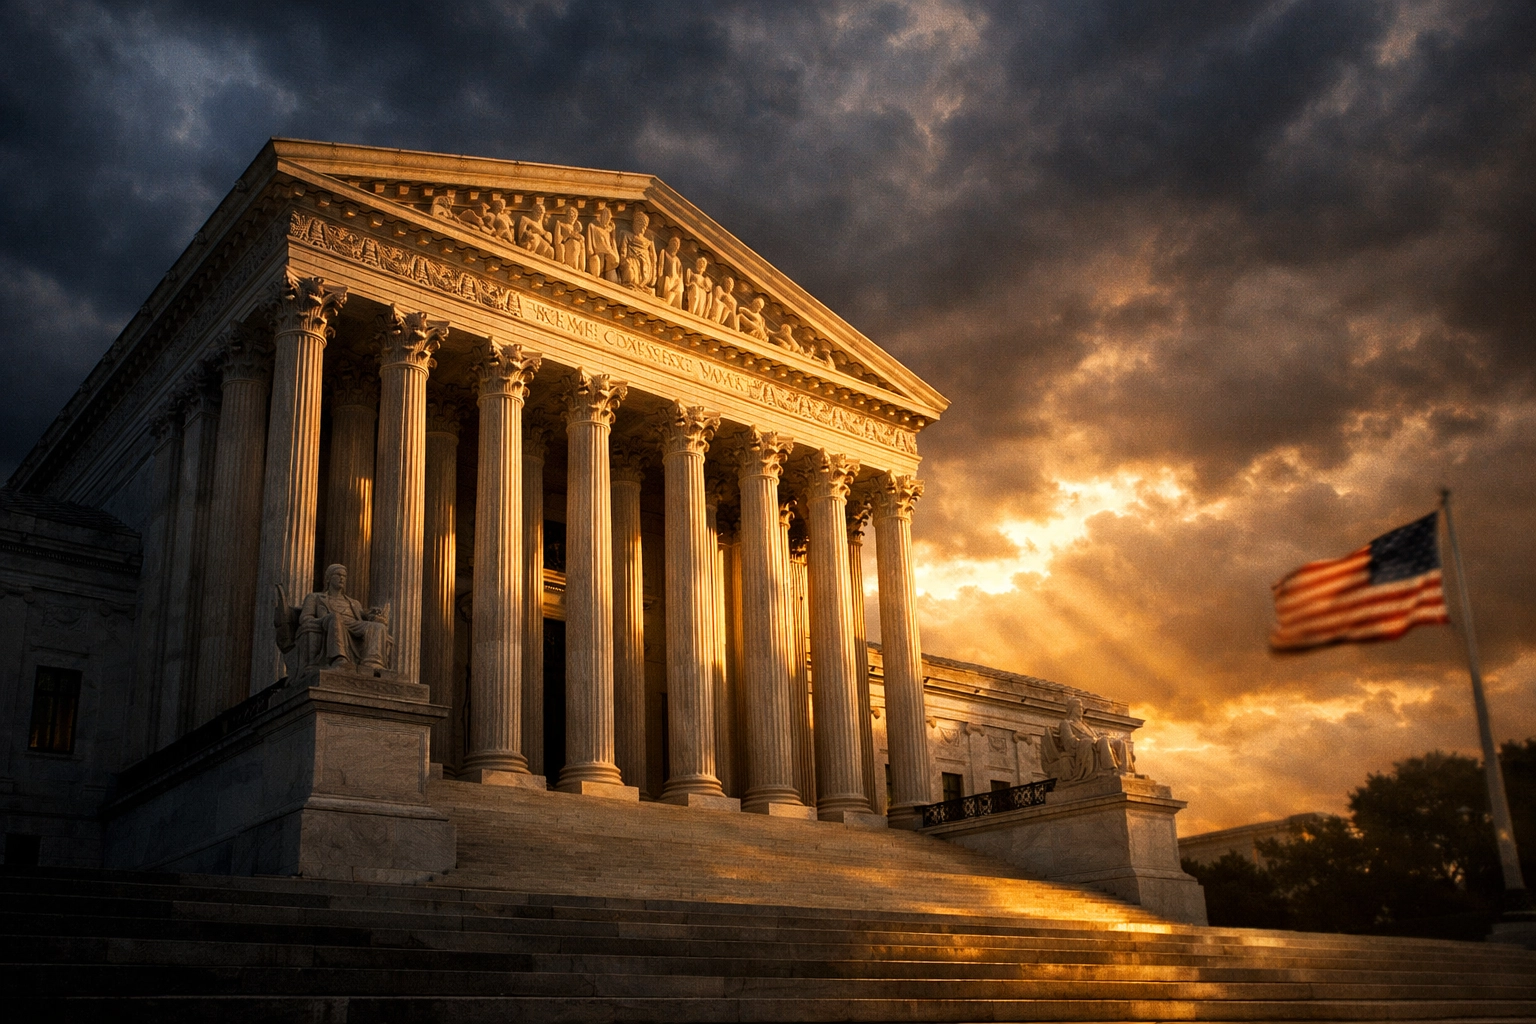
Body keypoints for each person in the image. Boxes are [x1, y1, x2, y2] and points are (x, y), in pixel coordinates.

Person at [296, 564, 390, 672]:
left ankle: (372, 662)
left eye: (344, 576)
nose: (342, 578)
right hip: (331, 622)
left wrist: (375, 617)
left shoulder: (354, 603)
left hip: (353, 624)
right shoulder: (315, 597)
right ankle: (339, 659)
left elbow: (364, 618)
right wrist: (325, 620)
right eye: (338, 575)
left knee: (378, 627)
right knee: (336, 617)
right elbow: (305, 618)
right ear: (328, 578)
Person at [617, 208, 657, 290]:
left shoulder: (648, 242)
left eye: (644, 226)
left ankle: (640, 285)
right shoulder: (627, 235)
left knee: (644, 273)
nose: (642, 228)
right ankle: (629, 282)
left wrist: (653, 273)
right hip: (631, 260)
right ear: (634, 225)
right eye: (639, 225)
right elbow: (623, 250)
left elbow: (653, 257)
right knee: (630, 271)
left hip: (644, 264)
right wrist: (623, 261)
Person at [586, 202, 619, 280]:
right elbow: (590, 246)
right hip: (598, 256)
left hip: (609, 257)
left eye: (609, 218)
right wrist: (591, 253)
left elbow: (612, 243)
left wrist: (613, 232)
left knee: (613, 280)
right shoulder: (593, 227)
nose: (607, 221)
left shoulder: (609, 231)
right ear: (602, 216)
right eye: (606, 217)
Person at [555, 205, 585, 270]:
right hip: (568, 245)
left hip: (577, 248)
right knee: (573, 244)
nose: (572, 217)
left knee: (579, 245)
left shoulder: (576, 227)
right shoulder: (561, 224)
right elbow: (557, 241)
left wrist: (579, 237)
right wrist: (568, 235)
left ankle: (580, 268)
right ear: (567, 215)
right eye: (570, 215)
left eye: (574, 216)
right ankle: (571, 268)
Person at [657, 235, 684, 307]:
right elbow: (660, 266)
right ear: (670, 243)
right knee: (670, 282)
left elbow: (680, 274)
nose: (676, 246)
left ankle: (669, 301)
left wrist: (677, 280)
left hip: (674, 281)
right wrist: (660, 279)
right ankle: (667, 301)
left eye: (677, 245)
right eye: (674, 243)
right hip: (666, 278)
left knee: (680, 284)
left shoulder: (677, 260)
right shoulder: (664, 253)